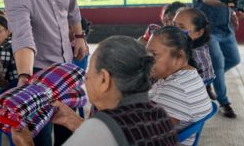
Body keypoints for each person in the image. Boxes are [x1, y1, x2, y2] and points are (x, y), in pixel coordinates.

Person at [3, 0, 87, 145]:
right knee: (40, 136)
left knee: (71, 133)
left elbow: (72, 6)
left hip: (67, 66)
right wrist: (24, 77)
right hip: (38, 72)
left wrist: (79, 37)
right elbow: (23, 36)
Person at [12, 36, 178, 146]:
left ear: (104, 79)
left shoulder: (101, 128)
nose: (86, 78)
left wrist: (25, 142)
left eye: (90, 70)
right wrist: (75, 122)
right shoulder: (158, 113)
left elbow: (103, 135)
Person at [192, 0, 241, 118]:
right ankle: (224, 103)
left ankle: (208, 80)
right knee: (218, 64)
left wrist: (233, 13)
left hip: (226, 28)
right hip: (208, 30)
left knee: (235, 59)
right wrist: (229, 2)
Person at [147, 26, 212, 146]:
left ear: (179, 57)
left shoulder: (176, 89)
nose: (147, 60)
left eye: (154, 55)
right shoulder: (187, 75)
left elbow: (149, 134)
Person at [173, 8, 216, 99]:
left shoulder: (196, 55)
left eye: (181, 27)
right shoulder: (184, 45)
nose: (173, 30)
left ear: (199, 32)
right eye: (173, 24)